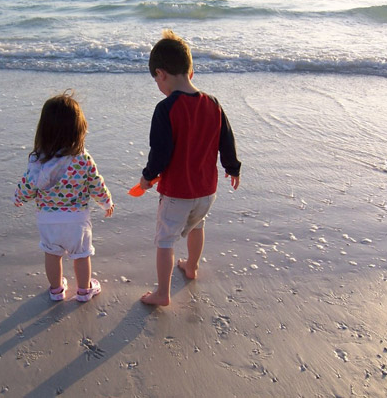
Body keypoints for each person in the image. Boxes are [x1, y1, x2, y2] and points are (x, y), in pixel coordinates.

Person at [138, 30, 241, 306]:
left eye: (156, 80)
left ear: (161, 74)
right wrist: (233, 168)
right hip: (207, 191)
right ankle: (192, 267)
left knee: (165, 239)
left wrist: (148, 177)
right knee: (197, 225)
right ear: (191, 71)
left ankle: (162, 292)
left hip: (177, 193)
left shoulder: (165, 109)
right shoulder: (214, 104)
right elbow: (226, 140)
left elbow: (160, 153)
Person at [13, 92, 114, 302]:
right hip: (77, 220)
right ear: (78, 130)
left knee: (52, 254)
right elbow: (96, 183)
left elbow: (28, 185)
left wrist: (19, 197)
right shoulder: (82, 158)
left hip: (48, 220)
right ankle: (84, 291)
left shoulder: (38, 160)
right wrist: (106, 202)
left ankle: (56, 290)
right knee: (81, 255)